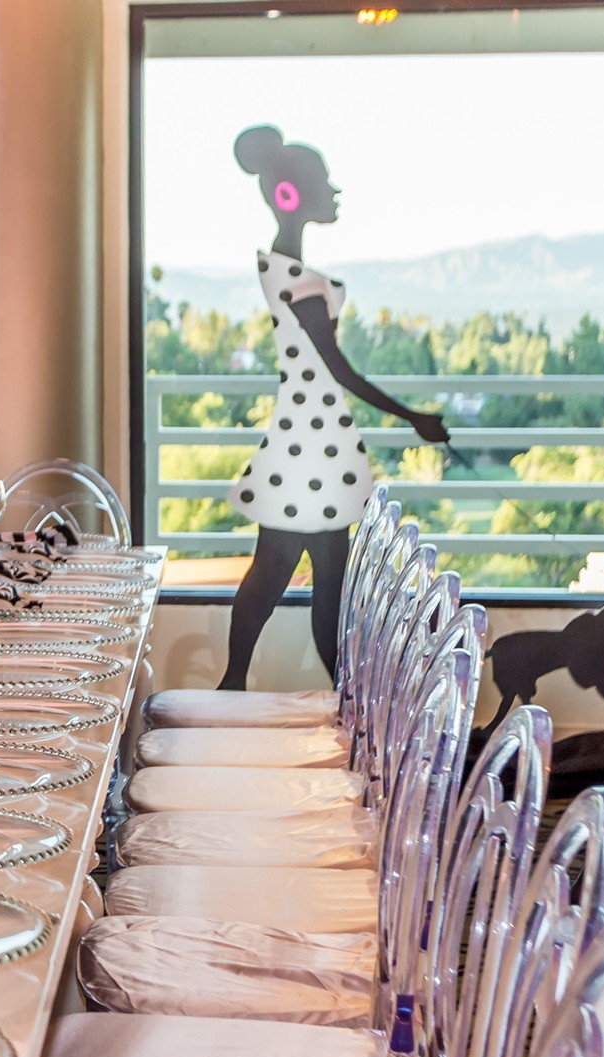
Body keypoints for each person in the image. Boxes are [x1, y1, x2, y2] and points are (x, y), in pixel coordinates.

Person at [220, 125, 450, 690]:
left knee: (299, 577)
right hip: (310, 444)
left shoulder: (286, 268)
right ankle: (333, 698)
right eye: (323, 182)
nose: (335, 192)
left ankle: (282, 691)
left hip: (310, 439)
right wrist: (414, 418)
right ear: (291, 196)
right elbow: (338, 368)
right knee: (311, 582)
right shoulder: (295, 277)